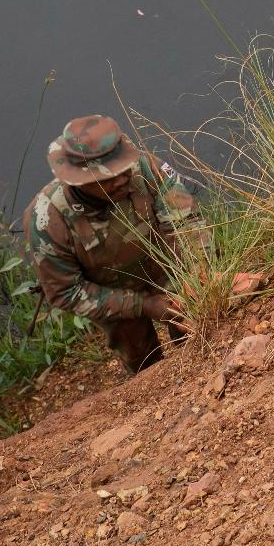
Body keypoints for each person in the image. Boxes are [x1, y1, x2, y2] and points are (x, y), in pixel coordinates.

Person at [25, 115, 200, 373]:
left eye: (122, 169)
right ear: (78, 180)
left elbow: (189, 226)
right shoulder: (47, 219)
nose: (120, 180)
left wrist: (195, 277)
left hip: (167, 269)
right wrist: (143, 305)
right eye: (106, 178)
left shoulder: (147, 168)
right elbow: (65, 292)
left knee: (194, 321)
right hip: (110, 297)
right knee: (141, 357)